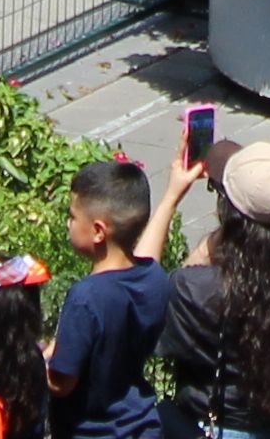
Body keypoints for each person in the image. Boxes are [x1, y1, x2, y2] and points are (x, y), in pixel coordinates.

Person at [155, 143, 270, 439]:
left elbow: (136, 292)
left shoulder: (200, 290)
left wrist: (170, 200)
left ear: (228, 212)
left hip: (225, 428)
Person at [44, 156, 175, 439]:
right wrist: (174, 192)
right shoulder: (155, 278)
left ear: (98, 231)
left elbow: (61, 384)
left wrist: (37, 361)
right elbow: (147, 258)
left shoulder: (86, 297)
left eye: (73, 216)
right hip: (142, 426)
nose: (68, 223)